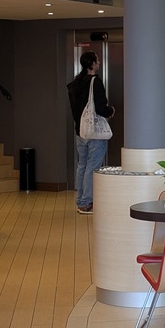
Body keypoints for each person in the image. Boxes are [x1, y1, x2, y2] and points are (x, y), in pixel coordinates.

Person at [66, 50, 114, 215]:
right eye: (97, 61)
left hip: (80, 131)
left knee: (82, 165)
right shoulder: (95, 82)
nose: (99, 63)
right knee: (92, 167)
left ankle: (81, 200)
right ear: (92, 64)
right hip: (94, 132)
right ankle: (86, 203)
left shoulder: (75, 84)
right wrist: (111, 111)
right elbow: (101, 108)